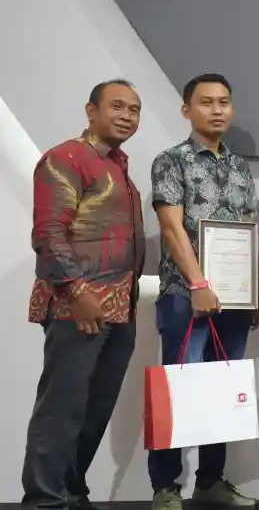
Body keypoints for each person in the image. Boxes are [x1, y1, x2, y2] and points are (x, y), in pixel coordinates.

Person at [22, 79, 146, 510]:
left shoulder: (118, 165)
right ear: (91, 111)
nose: (126, 116)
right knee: (62, 410)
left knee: (94, 413)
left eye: (134, 109)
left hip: (119, 308)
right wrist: (76, 292)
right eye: (117, 106)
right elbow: (48, 232)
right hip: (77, 307)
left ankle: (73, 494)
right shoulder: (66, 158)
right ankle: (44, 501)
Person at [148, 74, 259, 510]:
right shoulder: (171, 161)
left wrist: (255, 290)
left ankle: (210, 482)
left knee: (223, 391)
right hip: (185, 294)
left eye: (224, 102)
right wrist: (198, 283)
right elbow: (171, 227)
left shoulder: (239, 167)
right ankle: (165, 487)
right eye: (206, 102)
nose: (217, 110)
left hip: (235, 299)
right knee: (179, 390)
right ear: (186, 110)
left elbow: (248, 231)